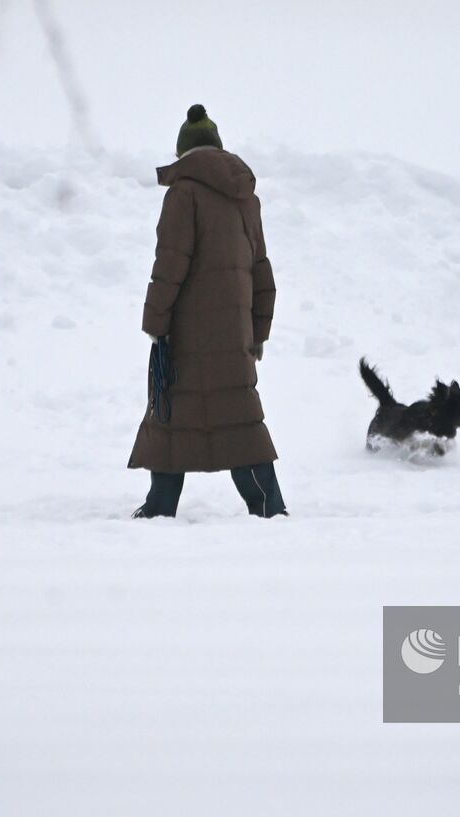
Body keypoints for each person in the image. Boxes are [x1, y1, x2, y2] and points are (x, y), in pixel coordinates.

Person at [127, 105, 287, 518]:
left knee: (169, 413)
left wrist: (155, 324)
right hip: (233, 335)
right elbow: (261, 268)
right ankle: (269, 506)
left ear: (184, 153)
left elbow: (170, 264)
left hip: (186, 334)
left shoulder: (184, 192)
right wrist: (258, 331)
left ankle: (160, 506)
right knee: (239, 418)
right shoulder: (245, 198)